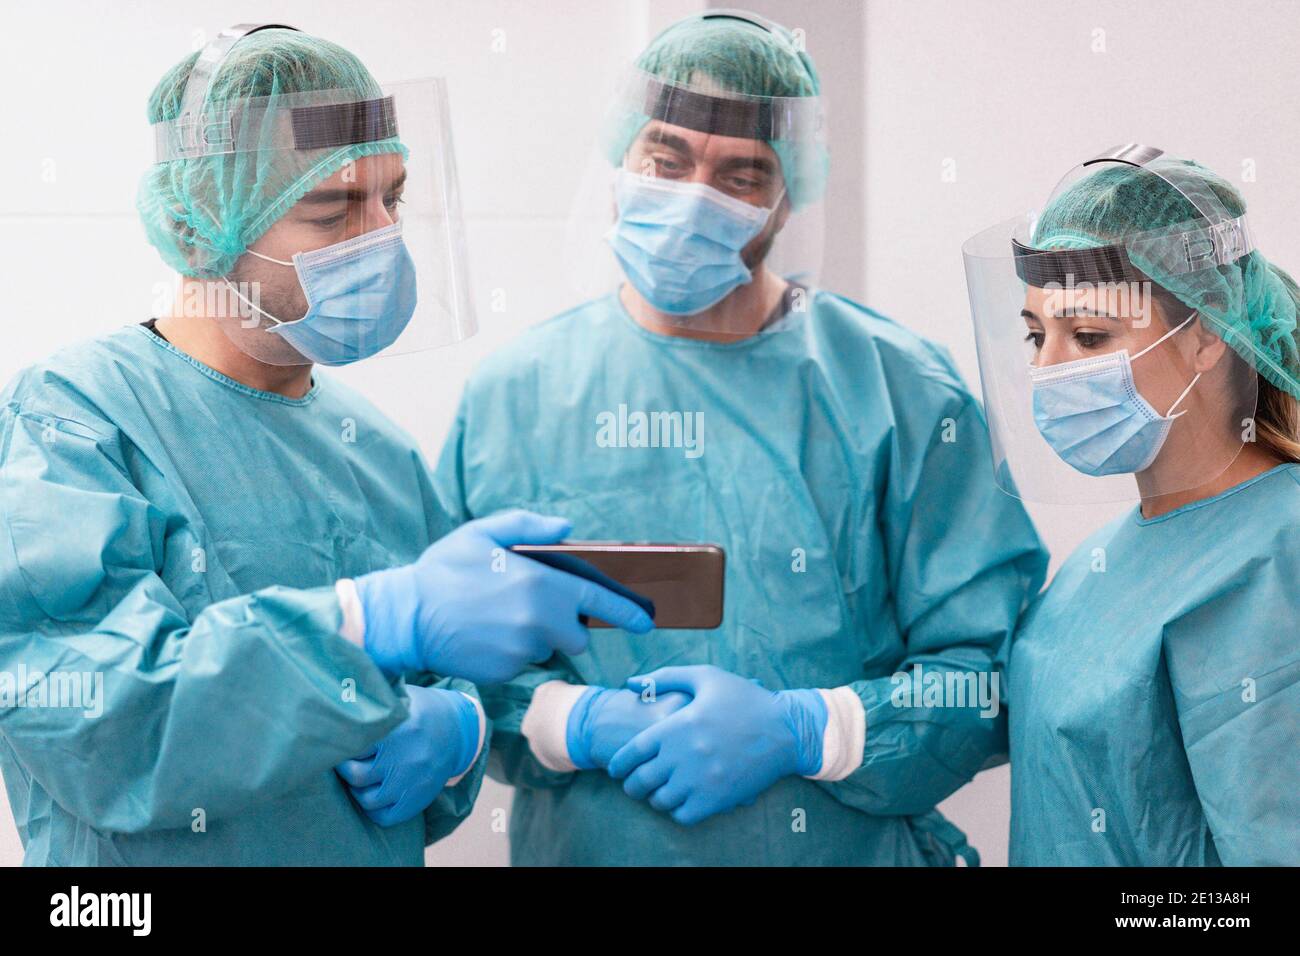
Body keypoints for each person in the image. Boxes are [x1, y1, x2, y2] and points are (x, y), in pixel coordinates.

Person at [0, 24, 651, 866]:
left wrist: (459, 736)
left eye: (392, 199)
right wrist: (364, 621)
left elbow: (438, 705)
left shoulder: (376, 452)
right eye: (334, 207)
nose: (381, 237)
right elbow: (102, 726)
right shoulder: (75, 420)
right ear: (201, 225)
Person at [433, 11, 1047, 865]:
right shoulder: (515, 399)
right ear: (620, 160)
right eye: (666, 157)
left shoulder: (896, 390)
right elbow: (447, 657)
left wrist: (811, 730)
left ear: (790, 192)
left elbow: (992, 673)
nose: (693, 195)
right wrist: (565, 719)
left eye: (741, 174)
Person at [962, 145, 1300, 865]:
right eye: (1035, 334)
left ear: (1207, 334)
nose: (1045, 369)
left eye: (1089, 335)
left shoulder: (1280, 557)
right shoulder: (1105, 560)